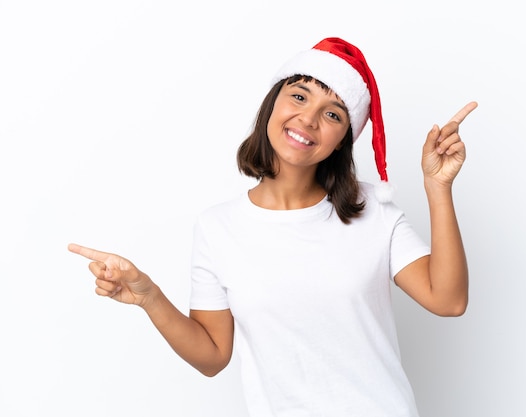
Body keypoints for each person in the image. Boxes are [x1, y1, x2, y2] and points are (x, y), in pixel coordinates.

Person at [69, 37, 477, 417]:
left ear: (342, 139)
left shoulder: (372, 210)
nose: (309, 119)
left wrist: (437, 187)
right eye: (299, 96)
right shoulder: (218, 227)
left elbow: (448, 300)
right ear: (272, 104)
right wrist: (149, 297)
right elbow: (212, 356)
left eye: (332, 114)